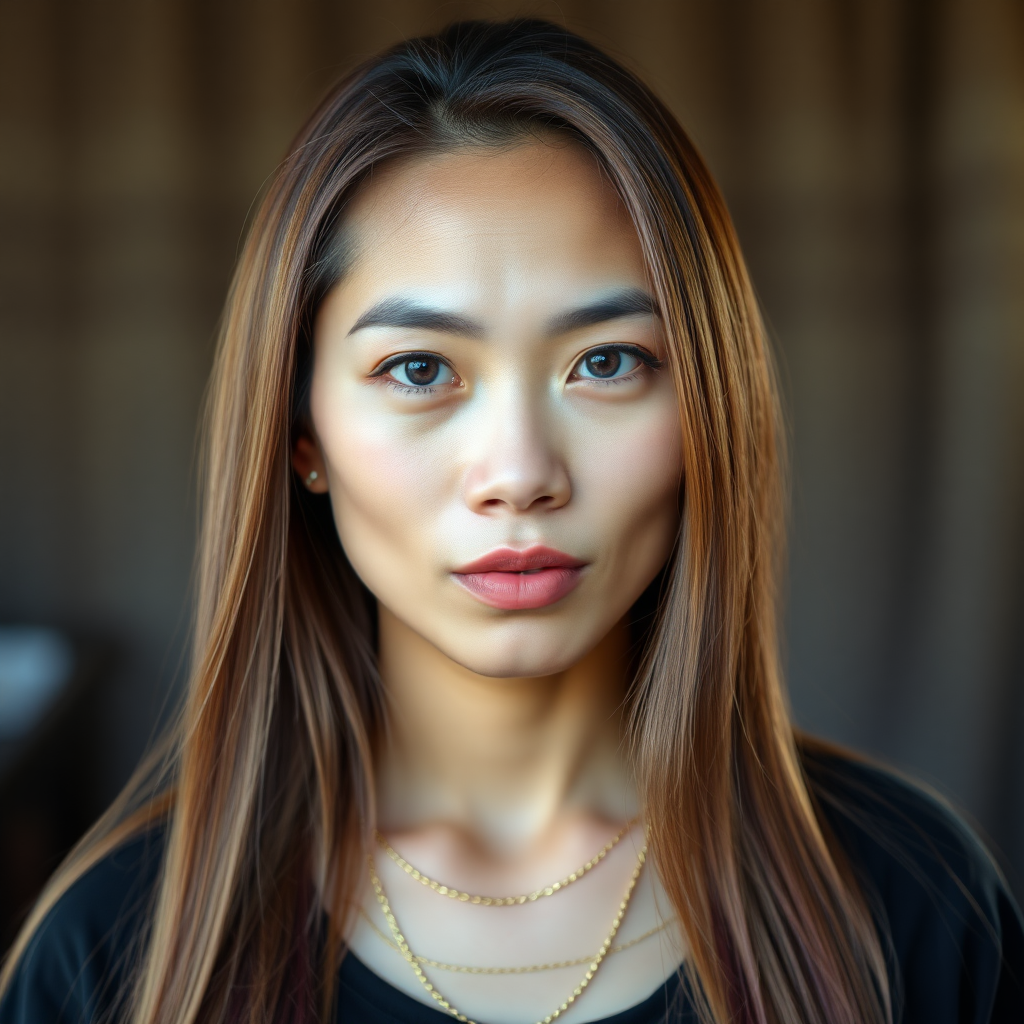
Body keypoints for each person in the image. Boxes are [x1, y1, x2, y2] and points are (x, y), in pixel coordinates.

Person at [0, 18, 1020, 1024]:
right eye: (419, 370)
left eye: (607, 361)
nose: (520, 475)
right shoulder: (109, 956)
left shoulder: (918, 899)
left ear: (709, 405)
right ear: (300, 433)